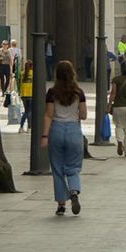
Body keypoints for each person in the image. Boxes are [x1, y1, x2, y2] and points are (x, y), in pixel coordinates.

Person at [40, 60, 87, 216]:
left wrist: (44, 136)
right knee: (73, 166)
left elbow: (48, 115)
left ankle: (61, 204)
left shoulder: (52, 93)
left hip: (57, 131)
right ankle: (73, 190)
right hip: (74, 131)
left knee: (57, 168)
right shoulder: (79, 93)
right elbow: (83, 115)